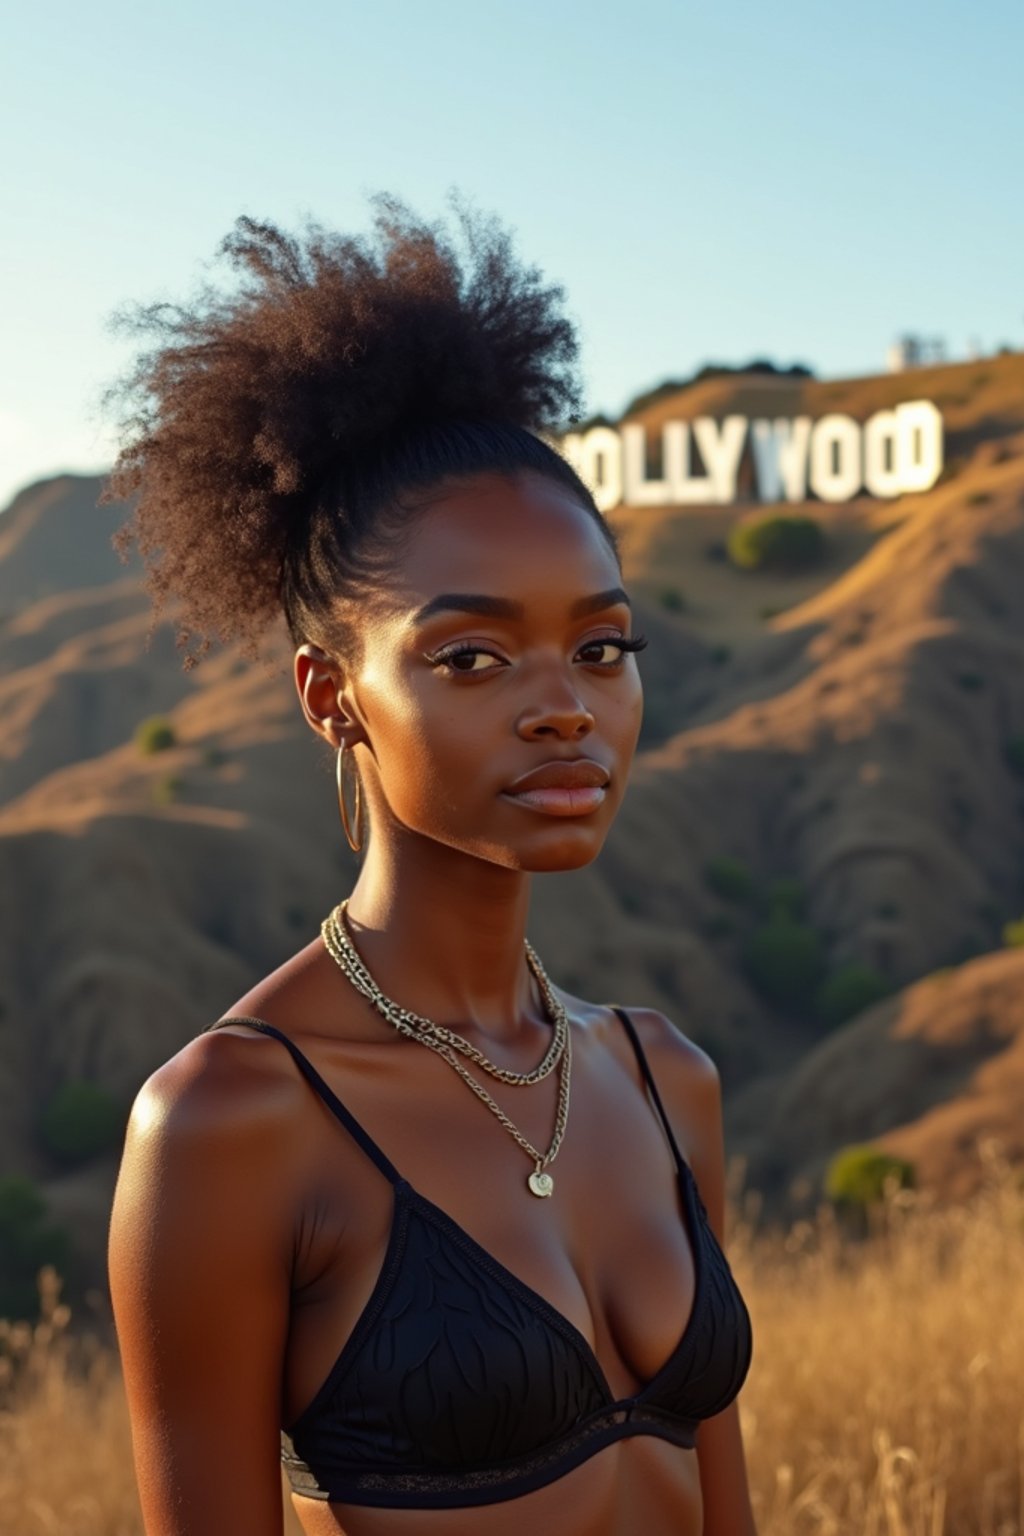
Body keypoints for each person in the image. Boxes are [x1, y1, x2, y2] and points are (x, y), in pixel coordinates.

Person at [106, 193, 757, 1536]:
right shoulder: (231, 1125)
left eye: (601, 647)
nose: (565, 705)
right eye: (471, 656)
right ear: (330, 695)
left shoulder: (663, 1078)